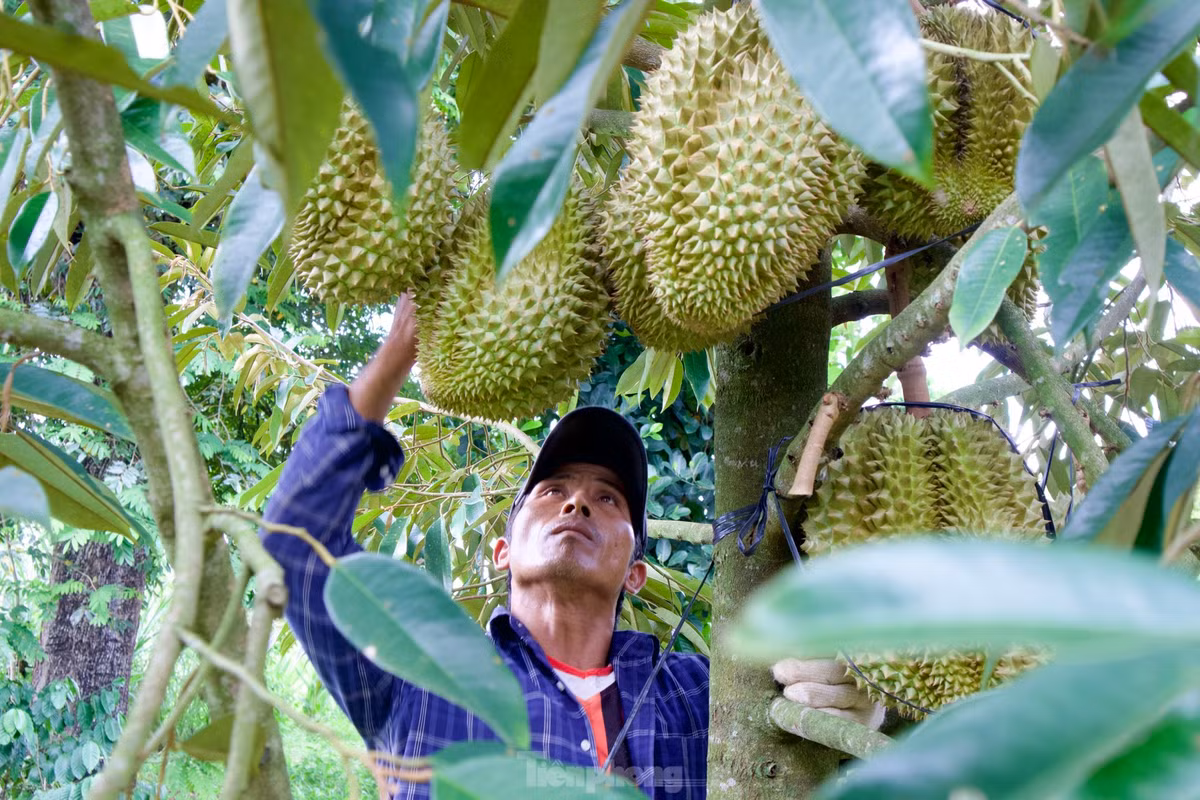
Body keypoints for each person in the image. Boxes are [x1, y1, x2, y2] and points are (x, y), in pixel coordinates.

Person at [261, 295, 882, 799]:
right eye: (553, 490)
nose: (576, 504)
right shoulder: (420, 678)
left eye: (608, 499)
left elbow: (871, 719)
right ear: (503, 551)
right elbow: (293, 544)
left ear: (635, 572)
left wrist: (857, 698)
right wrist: (398, 351)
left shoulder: (704, 693)